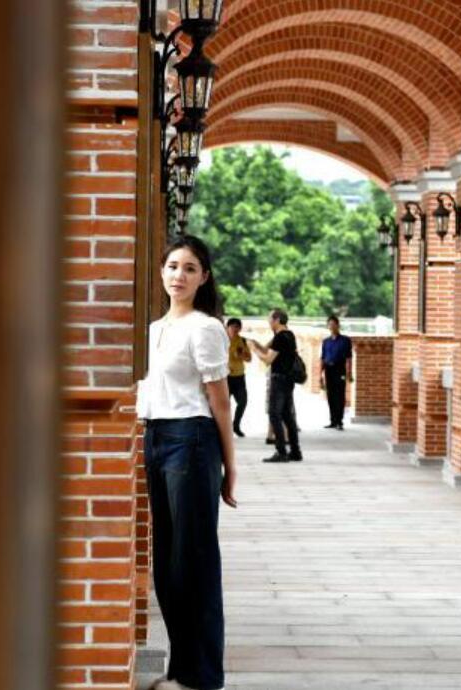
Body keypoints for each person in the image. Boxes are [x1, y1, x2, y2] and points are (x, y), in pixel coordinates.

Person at [135, 235, 237, 690]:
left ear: (204, 277)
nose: (179, 275)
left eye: (190, 268)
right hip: (155, 437)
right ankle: (181, 668)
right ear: (161, 271)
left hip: (192, 442)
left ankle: (201, 676)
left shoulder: (206, 327)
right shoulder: (155, 329)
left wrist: (229, 467)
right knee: (167, 563)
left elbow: (220, 403)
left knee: (193, 559)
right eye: (173, 266)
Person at [249, 309, 303, 463]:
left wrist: (254, 351)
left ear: (277, 319)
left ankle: (281, 452)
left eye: (269, 318)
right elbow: (267, 349)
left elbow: (267, 359)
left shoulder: (280, 337)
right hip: (288, 380)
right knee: (287, 416)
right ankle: (295, 451)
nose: (268, 321)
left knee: (275, 414)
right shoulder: (289, 335)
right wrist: (256, 344)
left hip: (279, 380)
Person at [320, 315, 353, 430]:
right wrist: (320, 374)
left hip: (340, 370)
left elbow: (349, 358)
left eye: (334, 324)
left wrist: (349, 373)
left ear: (338, 325)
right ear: (328, 326)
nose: (332, 326)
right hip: (329, 370)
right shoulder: (326, 342)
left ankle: (339, 421)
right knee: (331, 396)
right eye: (330, 324)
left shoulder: (346, 340)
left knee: (340, 395)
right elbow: (323, 358)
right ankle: (333, 420)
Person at [226, 318, 251, 437]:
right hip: (225, 377)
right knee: (224, 404)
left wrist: (241, 355)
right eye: (232, 327)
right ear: (227, 327)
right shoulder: (221, 340)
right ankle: (223, 428)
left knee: (243, 402)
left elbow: (249, 358)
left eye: (237, 327)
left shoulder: (242, 341)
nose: (235, 329)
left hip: (239, 377)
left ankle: (236, 425)